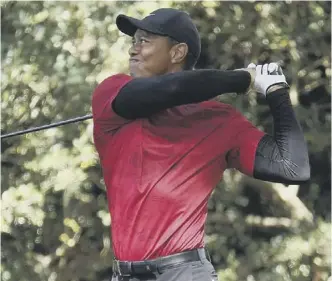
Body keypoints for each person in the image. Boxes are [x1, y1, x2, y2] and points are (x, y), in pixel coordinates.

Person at [91, 8, 310, 281]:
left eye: (144, 41)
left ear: (177, 53)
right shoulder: (112, 94)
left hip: (185, 273)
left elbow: (292, 167)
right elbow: (172, 89)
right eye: (133, 41)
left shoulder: (219, 120)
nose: (133, 50)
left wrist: (277, 92)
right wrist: (245, 78)